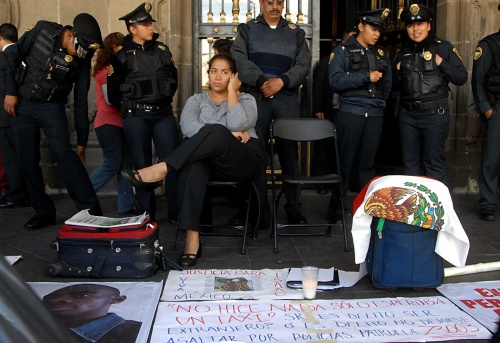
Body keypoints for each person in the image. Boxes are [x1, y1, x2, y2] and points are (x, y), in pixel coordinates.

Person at [122, 54, 266, 268]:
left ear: (234, 76)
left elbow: (239, 121)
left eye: (225, 72)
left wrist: (232, 92)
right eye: (214, 71)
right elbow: (188, 127)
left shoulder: (246, 99)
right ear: (208, 74)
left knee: (216, 132)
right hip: (208, 162)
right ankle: (192, 240)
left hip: (242, 160)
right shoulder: (196, 100)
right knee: (193, 168)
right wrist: (227, 134)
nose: (218, 76)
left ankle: (163, 168)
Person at [3, 13, 103, 230]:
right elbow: (13, 55)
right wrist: (10, 92)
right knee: (27, 159)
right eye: (80, 47)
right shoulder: (41, 30)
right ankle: (43, 211)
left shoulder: (82, 60)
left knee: (66, 155)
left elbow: (80, 103)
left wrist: (82, 141)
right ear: (70, 35)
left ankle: (91, 211)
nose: (81, 54)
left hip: (51, 107)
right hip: (23, 103)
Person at [230, 0, 312, 224]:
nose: (274, 6)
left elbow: (304, 64)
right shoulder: (247, 30)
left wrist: (282, 81)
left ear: (283, 4)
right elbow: (239, 59)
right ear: (261, 4)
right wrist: (262, 81)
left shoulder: (296, 33)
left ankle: (294, 208)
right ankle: (257, 208)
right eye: (269, 2)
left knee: (289, 156)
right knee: (255, 153)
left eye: (278, 2)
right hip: (257, 98)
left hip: (285, 98)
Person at [108, 2, 179, 223]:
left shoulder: (162, 51)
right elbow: (112, 94)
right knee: (142, 166)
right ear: (132, 28)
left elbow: (173, 80)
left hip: (163, 114)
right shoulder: (121, 56)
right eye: (145, 24)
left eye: (150, 24)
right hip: (136, 115)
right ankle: (147, 215)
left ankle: (177, 213)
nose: (151, 28)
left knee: (173, 162)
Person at [393, 4, 467, 188]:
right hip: (408, 115)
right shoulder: (403, 51)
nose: (415, 29)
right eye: (410, 25)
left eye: (420, 24)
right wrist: (396, 70)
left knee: (434, 164)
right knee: (410, 166)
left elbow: (461, 77)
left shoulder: (444, 48)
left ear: (429, 25)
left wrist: (442, 63)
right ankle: (412, 212)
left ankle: (439, 213)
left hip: (435, 114)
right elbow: (391, 85)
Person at [328, 9, 392, 217]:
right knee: (344, 163)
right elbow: (335, 80)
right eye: (373, 29)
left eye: (379, 30)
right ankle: (337, 207)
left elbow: (388, 85)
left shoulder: (381, 53)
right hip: (350, 112)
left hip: (374, 114)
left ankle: (368, 209)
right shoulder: (342, 51)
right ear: (361, 26)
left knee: (368, 165)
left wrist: (379, 103)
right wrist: (366, 76)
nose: (377, 34)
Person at [89, 32, 137, 215]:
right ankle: (84, 192)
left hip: (117, 123)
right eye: (120, 46)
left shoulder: (110, 68)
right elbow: (111, 100)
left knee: (126, 165)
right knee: (113, 162)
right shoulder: (106, 70)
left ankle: (126, 205)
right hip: (108, 123)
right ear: (113, 48)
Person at [313, 29, 356, 195]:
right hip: (328, 110)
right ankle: (322, 182)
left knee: (343, 149)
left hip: (348, 112)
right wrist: (318, 108)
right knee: (325, 147)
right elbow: (319, 86)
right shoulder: (328, 60)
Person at [472, 7, 500, 222]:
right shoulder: (490, 44)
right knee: (492, 159)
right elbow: (478, 80)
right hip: (497, 108)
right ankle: (487, 204)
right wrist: (486, 109)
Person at [42, 284, 142, 343]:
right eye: (49, 298)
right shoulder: (34, 329)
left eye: (81, 295)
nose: (58, 300)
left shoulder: (138, 332)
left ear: (117, 299)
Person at [0, 23, 29, 209]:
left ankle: (17, 194)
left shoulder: (5, 56)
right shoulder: (20, 54)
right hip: (19, 114)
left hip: (5, 116)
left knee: (11, 159)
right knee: (21, 156)